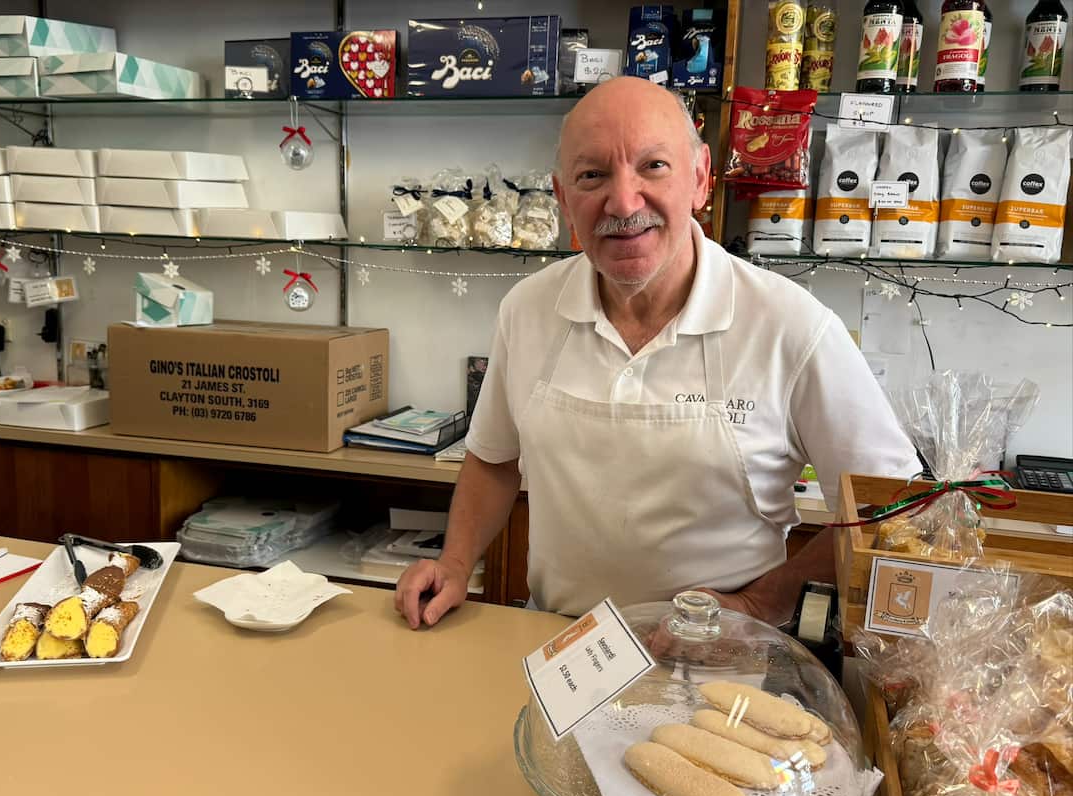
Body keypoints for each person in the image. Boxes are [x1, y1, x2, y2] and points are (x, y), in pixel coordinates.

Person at [394, 77, 921, 629]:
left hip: (724, 663)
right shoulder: (527, 309)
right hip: (562, 644)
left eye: (653, 166)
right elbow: (494, 459)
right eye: (592, 175)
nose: (623, 202)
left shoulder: (791, 326)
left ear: (699, 180)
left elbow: (893, 504)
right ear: (562, 197)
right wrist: (454, 562)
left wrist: (763, 603)